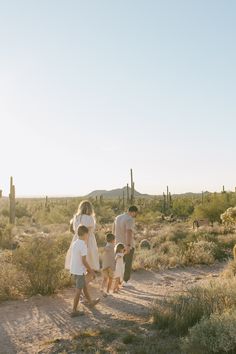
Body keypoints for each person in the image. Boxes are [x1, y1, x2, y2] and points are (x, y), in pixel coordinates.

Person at [70, 225, 100, 317]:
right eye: (88, 234)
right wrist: (92, 271)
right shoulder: (83, 245)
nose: (88, 236)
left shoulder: (75, 243)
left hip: (74, 269)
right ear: (85, 234)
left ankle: (90, 302)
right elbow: (84, 261)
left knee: (84, 287)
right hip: (79, 271)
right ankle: (74, 311)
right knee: (78, 291)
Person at [113, 206, 138, 285]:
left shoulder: (118, 217)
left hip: (118, 244)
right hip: (126, 244)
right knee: (127, 263)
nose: (135, 215)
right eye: (136, 213)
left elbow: (113, 230)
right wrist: (128, 245)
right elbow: (129, 232)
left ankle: (119, 280)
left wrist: (114, 242)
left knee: (120, 263)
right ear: (133, 212)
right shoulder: (129, 219)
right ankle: (125, 281)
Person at [72, 200, 100, 272]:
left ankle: (82, 280)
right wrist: (85, 244)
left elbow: (74, 229)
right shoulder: (90, 218)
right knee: (89, 263)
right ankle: (86, 281)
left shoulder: (76, 217)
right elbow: (88, 232)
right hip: (88, 240)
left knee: (79, 262)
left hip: (77, 239)